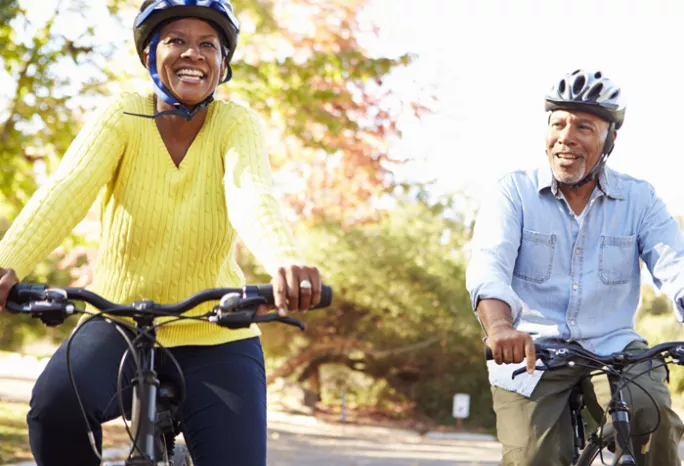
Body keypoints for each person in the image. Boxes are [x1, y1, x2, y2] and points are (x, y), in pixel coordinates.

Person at [0, 1, 322, 464]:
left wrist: (283, 259)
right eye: (177, 41)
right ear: (151, 55)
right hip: (118, 321)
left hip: (217, 330)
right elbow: (66, 189)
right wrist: (8, 260)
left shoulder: (236, 124)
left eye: (207, 45)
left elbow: (251, 193)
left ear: (222, 64)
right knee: (52, 413)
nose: (193, 54)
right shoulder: (122, 116)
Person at [466, 69, 684, 466]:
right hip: (533, 351)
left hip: (614, 347)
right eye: (558, 123)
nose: (566, 136)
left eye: (583, 126)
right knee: (533, 456)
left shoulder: (639, 199)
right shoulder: (513, 192)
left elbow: (675, 264)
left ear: (609, 140)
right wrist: (499, 328)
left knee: (655, 421)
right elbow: (488, 265)